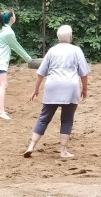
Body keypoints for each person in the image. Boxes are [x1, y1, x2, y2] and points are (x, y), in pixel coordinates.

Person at [24, 25, 89, 159]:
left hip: (52, 86)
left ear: (58, 37)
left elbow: (41, 73)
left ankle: (31, 146)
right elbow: (84, 73)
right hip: (70, 87)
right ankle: (63, 151)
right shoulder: (76, 50)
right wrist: (85, 89)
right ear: (70, 37)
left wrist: (36, 90)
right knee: (67, 120)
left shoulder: (52, 51)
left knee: (44, 118)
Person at [0, 10, 33, 120]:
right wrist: (29, 59)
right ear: (12, 18)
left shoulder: (0, 29)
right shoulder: (8, 33)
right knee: (3, 85)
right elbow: (17, 47)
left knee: (0, 85)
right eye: (14, 15)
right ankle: (1, 112)